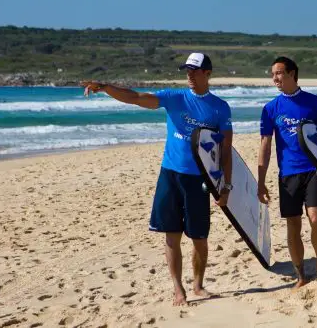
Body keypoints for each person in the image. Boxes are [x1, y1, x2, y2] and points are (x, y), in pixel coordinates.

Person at [81, 52, 233, 306]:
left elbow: (226, 151)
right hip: (170, 175)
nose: (190, 75)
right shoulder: (174, 98)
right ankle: (178, 289)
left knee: (199, 238)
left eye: (194, 71)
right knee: (171, 235)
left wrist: (226, 186)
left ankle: (197, 285)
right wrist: (107, 88)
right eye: (187, 71)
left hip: (199, 179)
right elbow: (136, 98)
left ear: (207, 73)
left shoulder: (219, 107)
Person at [257, 56, 317, 288]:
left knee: (315, 217)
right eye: (272, 74)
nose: (275, 78)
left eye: (279, 73)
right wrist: (261, 181)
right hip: (288, 174)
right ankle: (300, 274)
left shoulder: (314, 102)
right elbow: (265, 145)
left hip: (313, 170)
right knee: (293, 224)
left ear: (292, 73)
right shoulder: (270, 109)